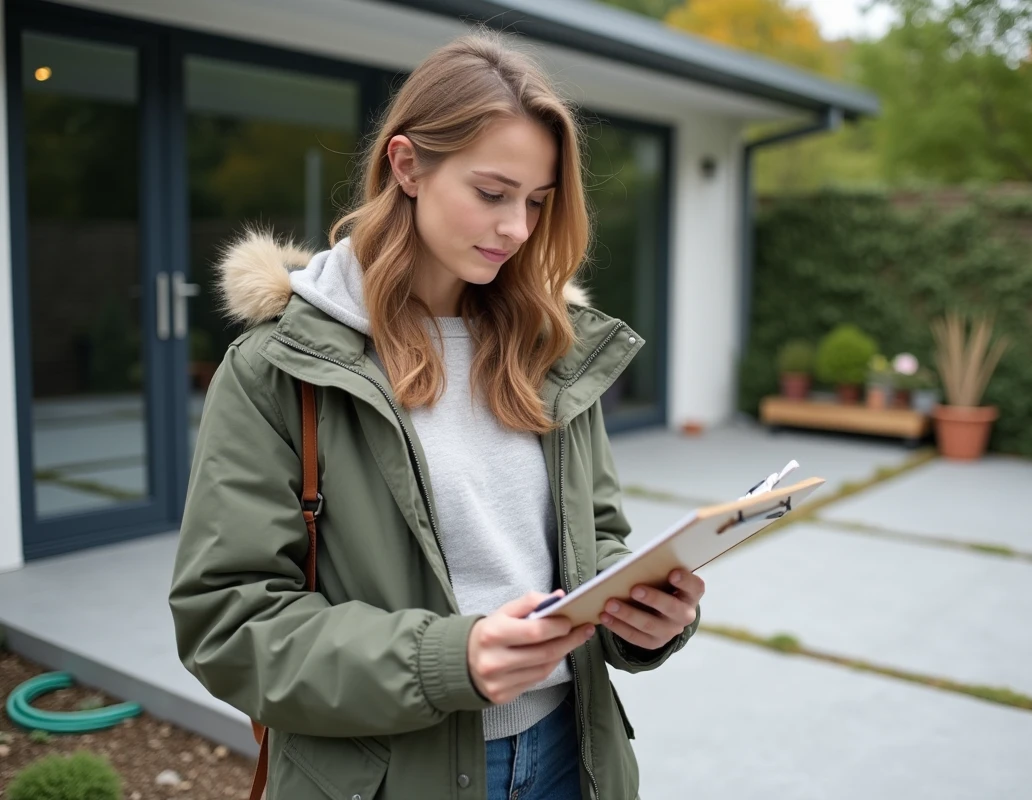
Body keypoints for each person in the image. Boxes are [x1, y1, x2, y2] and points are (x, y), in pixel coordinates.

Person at [169, 30, 703, 800]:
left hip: (572, 754)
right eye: (492, 193)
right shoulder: (278, 368)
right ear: (407, 164)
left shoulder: (552, 347)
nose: (518, 229)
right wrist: (448, 659)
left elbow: (601, 538)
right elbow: (227, 622)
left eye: (536, 202)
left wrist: (645, 617)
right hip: (390, 774)